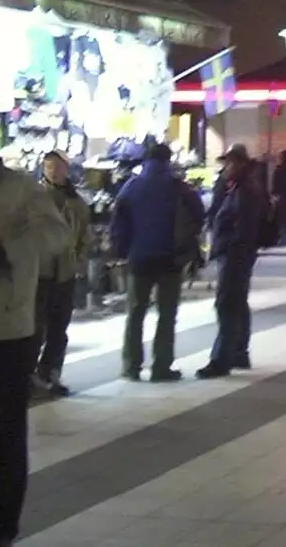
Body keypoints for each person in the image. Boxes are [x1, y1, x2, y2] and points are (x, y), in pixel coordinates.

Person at [0, 129, 68, 547]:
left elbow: (56, 238)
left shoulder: (20, 189)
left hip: (3, 332)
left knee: (6, 438)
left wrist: (6, 250)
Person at [112, 143, 200, 383]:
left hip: (139, 258)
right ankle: (161, 367)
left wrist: (123, 249)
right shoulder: (179, 188)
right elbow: (198, 215)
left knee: (135, 312)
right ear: (168, 161)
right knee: (167, 314)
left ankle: (131, 366)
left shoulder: (131, 186)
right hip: (170, 259)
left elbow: (118, 220)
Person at [198, 145, 267, 378]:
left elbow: (242, 227)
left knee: (226, 304)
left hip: (236, 254)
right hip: (238, 253)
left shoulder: (245, 190)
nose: (224, 168)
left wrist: (228, 246)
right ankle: (239, 352)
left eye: (228, 163)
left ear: (239, 163)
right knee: (237, 302)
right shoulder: (240, 186)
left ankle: (221, 360)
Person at [32, 152, 90, 397]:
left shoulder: (76, 202)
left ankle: (51, 373)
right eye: (48, 167)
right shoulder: (33, 197)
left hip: (64, 274)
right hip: (38, 274)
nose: (53, 171)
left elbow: (84, 237)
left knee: (59, 328)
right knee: (34, 328)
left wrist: (78, 263)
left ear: (66, 169)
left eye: (57, 167)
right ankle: (27, 378)